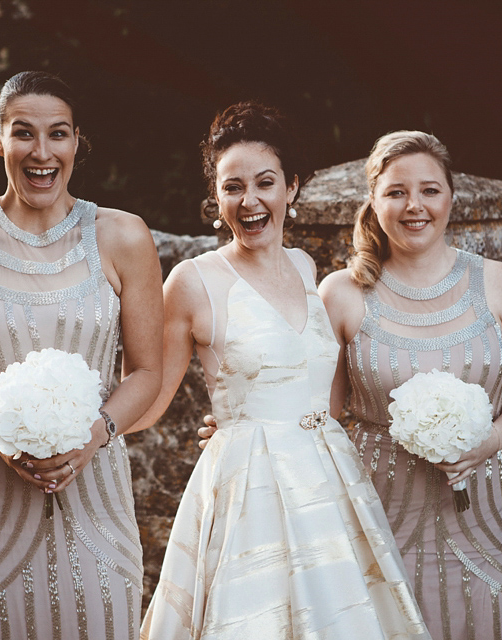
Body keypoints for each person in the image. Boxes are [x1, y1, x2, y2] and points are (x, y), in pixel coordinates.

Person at [131, 102, 429, 639]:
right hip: (250, 489)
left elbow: (311, 386)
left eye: (265, 182)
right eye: (232, 187)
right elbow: (149, 392)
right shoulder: (192, 282)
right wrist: (83, 436)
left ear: (291, 188)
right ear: (216, 197)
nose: (249, 201)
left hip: (327, 478)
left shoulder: (304, 266)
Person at [0, 71, 163, 640]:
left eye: (59, 134)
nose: (41, 153)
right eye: (23, 133)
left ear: (77, 142)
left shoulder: (123, 236)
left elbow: (147, 371)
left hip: (97, 493)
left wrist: (92, 436)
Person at [318, 131, 502, 639]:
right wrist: (239, 428)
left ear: (450, 197)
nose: (414, 206)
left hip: (486, 510)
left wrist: (490, 440)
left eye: (429, 190)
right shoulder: (341, 293)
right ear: (373, 202)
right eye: (396, 191)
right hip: (379, 509)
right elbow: (321, 416)